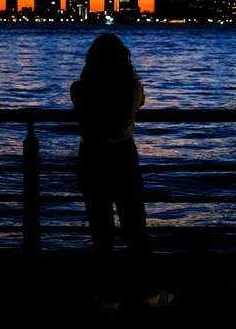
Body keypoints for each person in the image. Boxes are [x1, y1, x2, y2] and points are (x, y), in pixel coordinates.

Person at [71, 33, 175, 310]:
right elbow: (140, 104)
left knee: (101, 232)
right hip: (124, 158)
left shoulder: (80, 90)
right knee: (135, 228)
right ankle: (150, 293)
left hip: (92, 158)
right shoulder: (133, 89)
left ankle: (108, 297)